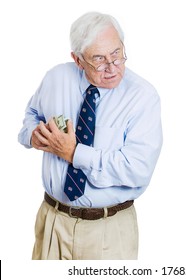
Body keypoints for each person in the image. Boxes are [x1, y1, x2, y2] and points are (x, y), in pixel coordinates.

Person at [18, 11, 162, 260]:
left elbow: (137, 169)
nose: (112, 67)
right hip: (52, 220)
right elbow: (32, 114)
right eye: (99, 59)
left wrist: (73, 153)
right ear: (78, 59)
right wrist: (33, 135)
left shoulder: (143, 97)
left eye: (117, 54)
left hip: (108, 230)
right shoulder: (56, 78)